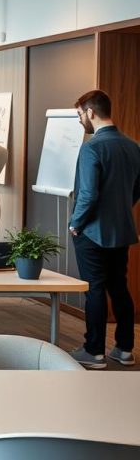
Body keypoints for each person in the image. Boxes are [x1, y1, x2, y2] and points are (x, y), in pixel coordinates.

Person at [68, 90, 140, 369]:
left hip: (92, 231)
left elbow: (88, 194)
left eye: (79, 115)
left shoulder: (92, 147)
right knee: (119, 287)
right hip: (121, 230)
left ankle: (94, 350)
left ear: (90, 112)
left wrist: (76, 222)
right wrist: (120, 208)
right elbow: (136, 189)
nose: (79, 121)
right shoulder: (133, 146)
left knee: (95, 289)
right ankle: (124, 348)